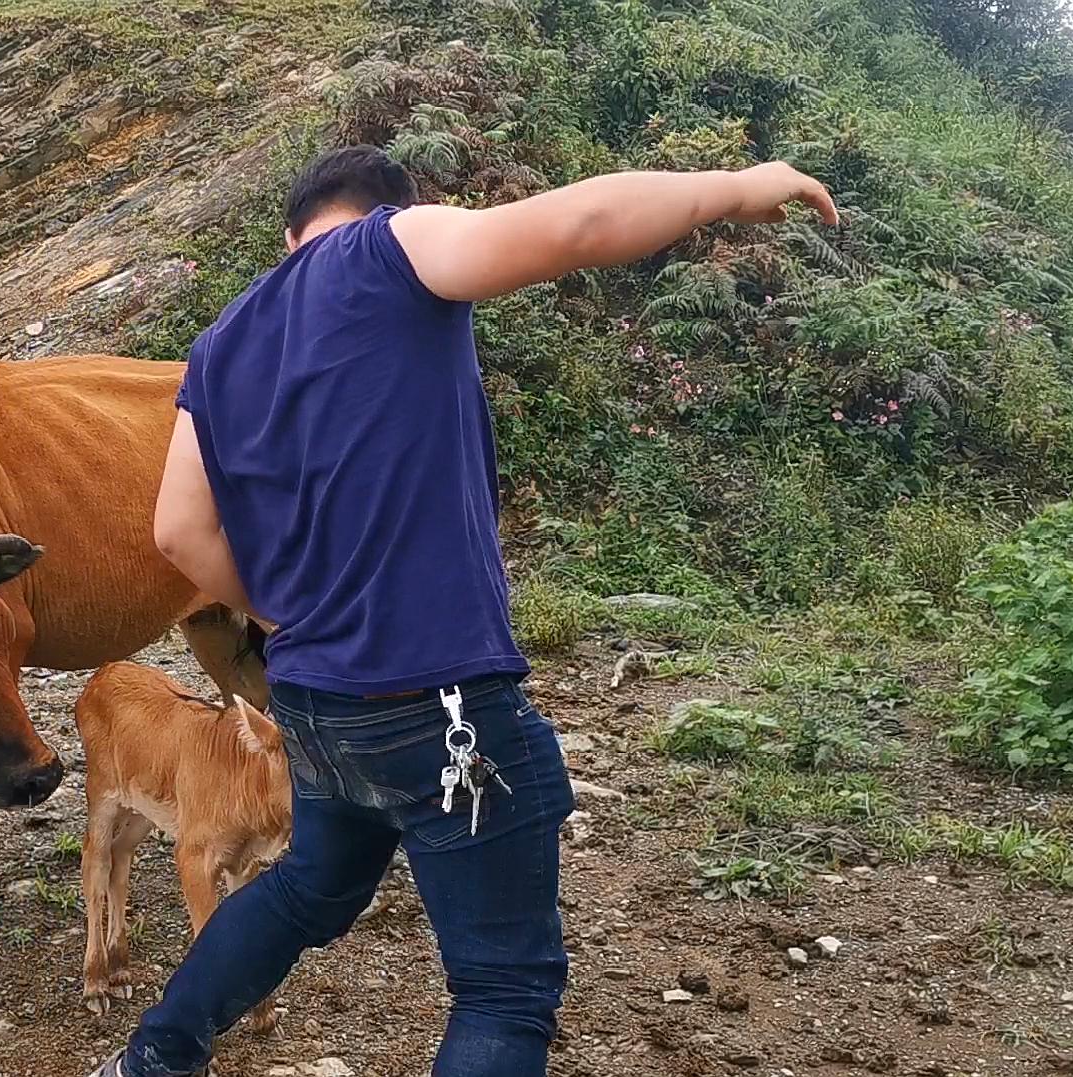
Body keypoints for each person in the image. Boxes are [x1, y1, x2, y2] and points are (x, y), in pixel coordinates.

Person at [89, 146, 838, 1077]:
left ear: (289, 236)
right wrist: (732, 190)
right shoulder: (389, 245)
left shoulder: (221, 342)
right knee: (502, 987)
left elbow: (178, 531)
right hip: (438, 695)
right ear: (395, 211)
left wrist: (289, 616)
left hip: (317, 696)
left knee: (308, 891)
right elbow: (579, 227)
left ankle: (153, 1058)